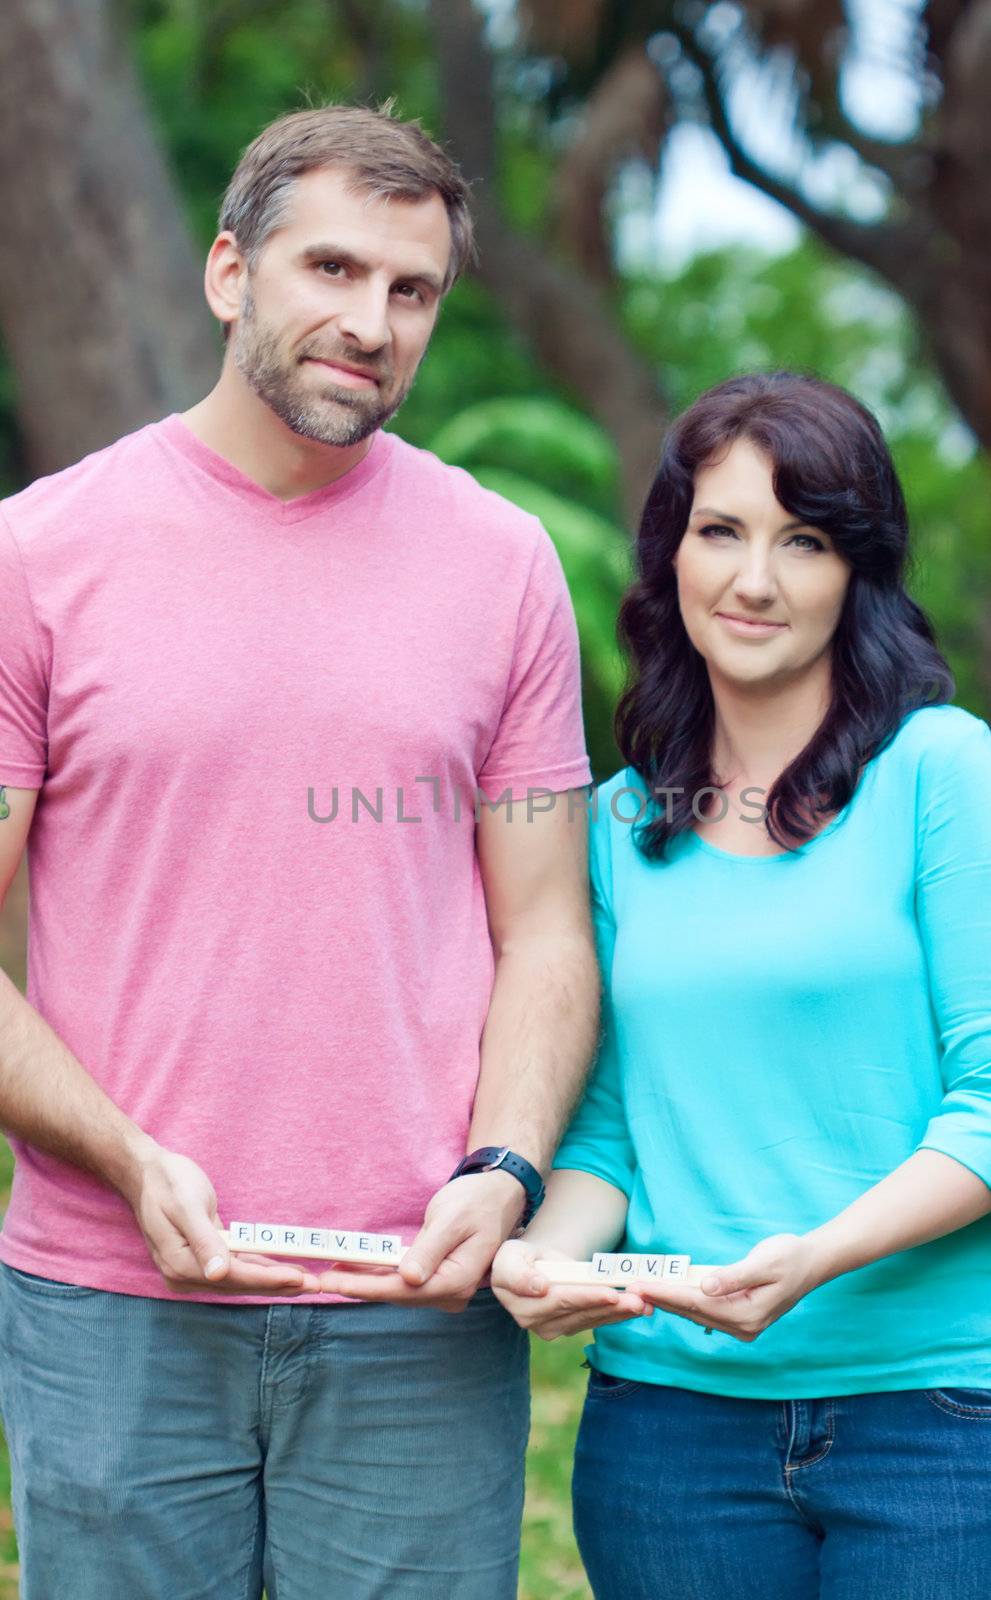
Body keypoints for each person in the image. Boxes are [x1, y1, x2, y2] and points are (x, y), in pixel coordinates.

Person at [0, 104, 599, 1599]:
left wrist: (505, 1165)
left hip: (416, 1304)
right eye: (329, 268)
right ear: (228, 274)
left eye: (409, 291)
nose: (369, 322)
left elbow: (544, 935)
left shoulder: (502, 566)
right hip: (109, 1308)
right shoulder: (35, 555)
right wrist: (132, 1162)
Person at [493, 372, 991, 1599]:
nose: (753, 581)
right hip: (670, 1436)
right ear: (670, 552)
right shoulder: (613, 827)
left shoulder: (938, 773)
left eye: (801, 540)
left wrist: (811, 1257)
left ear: (855, 570)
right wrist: (545, 1253)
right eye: (720, 531)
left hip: (945, 1418)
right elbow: (608, 1132)